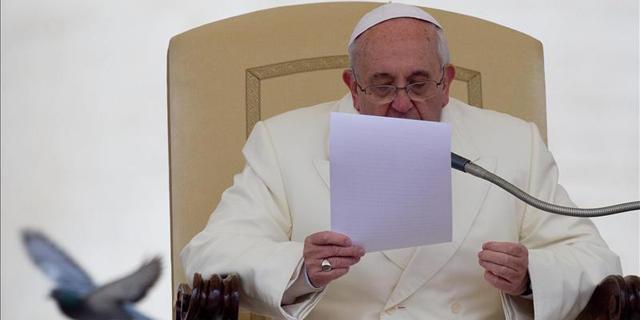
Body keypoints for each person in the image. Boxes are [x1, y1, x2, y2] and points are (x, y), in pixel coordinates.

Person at [181, 3, 620, 319]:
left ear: (446, 83)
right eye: (383, 85)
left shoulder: (512, 142)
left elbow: (594, 259)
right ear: (354, 86)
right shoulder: (283, 141)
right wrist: (300, 267)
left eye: (419, 83)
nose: (403, 103)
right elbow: (208, 255)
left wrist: (531, 276)